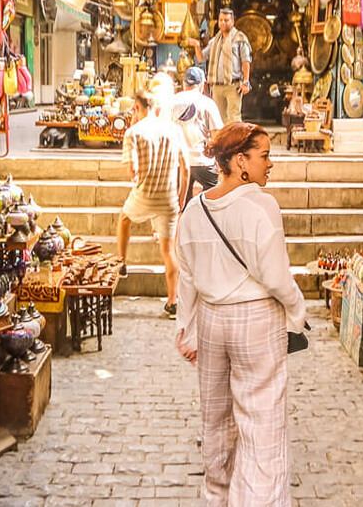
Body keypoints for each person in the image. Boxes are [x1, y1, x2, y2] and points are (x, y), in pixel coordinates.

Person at [173, 122, 305, 507]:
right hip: (257, 320)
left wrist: (186, 328)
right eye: (264, 155)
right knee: (262, 423)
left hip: (211, 322)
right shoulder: (262, 206)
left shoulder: (194, 209)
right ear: (240, 161)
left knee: (216, 420)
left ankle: (218, 496)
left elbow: (187, 277)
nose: (271, 163)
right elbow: (277, 278)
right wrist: (297, 311)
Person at [116, 90, 191, 317]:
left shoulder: (133, 132)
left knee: (125, 218)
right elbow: (186, 169)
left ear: (136, 108)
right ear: (155, 108)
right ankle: (172, 301)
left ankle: (122, 262)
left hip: (144, 195)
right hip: (168, 198)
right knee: (168, 251)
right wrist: (181, 198)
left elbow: (133, 170)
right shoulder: (174, 129)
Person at [171, 66, 224, 204]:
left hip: (178, 162)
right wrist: (219, 161)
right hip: (203, 161)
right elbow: (217, 135)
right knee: (214, 197)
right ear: (201, 85)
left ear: (184, 84)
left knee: (182, 200)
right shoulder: (208, 103)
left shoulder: (172, 101)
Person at [203, 9, 253, 125]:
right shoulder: (215, 40)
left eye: (226, 20)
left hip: (233, 86)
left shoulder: (240, 38)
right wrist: (196, 45)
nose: (223, 23)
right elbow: (202, 57)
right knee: (218, 119)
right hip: (217, 86)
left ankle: (235, 138)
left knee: (234, 119)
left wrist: (246, 81)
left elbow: (246, 61)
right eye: (221, 20)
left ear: (233, 21)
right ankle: (222, 138)